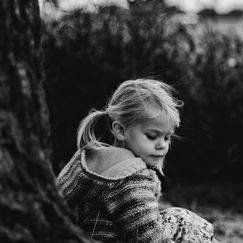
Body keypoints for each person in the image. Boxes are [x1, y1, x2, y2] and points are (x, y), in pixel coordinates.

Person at [57, 79, 217, 242]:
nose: (162, 145)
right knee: (183, 221)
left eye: (167, 137)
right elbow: (150, 238)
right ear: (120, 130)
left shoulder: (87, 161)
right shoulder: (132, 179)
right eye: (152, 136)